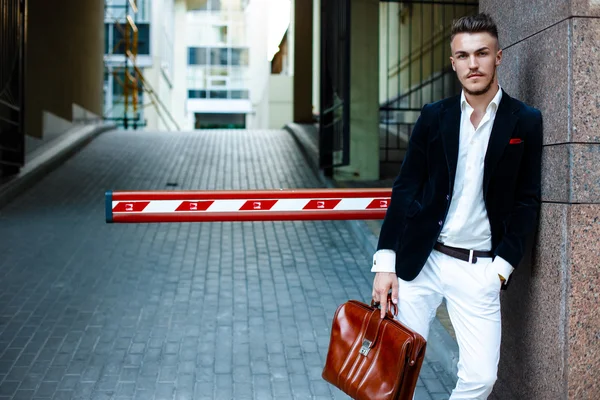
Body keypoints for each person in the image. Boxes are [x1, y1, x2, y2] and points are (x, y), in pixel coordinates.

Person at [371, 12, 543, 400]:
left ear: (498, 56)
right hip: (422, 261)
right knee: (392, 368)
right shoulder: (434, 117)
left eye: (482, 53)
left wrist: (500, 270)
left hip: (479, 268)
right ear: (453, 62)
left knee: (481, 378)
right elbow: (406, 187)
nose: (473, 64)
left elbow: (526, 200)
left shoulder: (525, 122)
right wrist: (385, 263)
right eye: (463, 56)